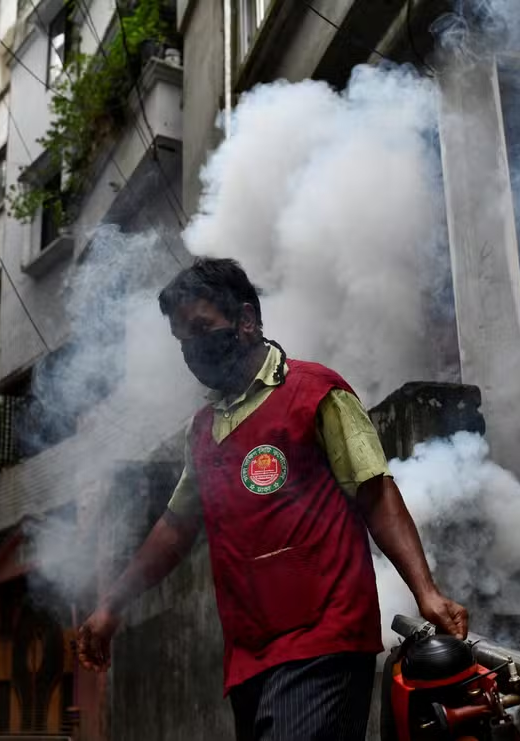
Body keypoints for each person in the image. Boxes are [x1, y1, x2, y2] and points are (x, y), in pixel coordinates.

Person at [77, 257, 468, 741]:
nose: (193, 349)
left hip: (325, 637)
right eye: (183, 340)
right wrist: (112, 604)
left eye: (202, 328)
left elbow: (376, 492)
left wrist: (425, 591)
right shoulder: (204, 430)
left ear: (245, 321)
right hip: (249, 654)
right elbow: (176, 528)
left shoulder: (315, 391)